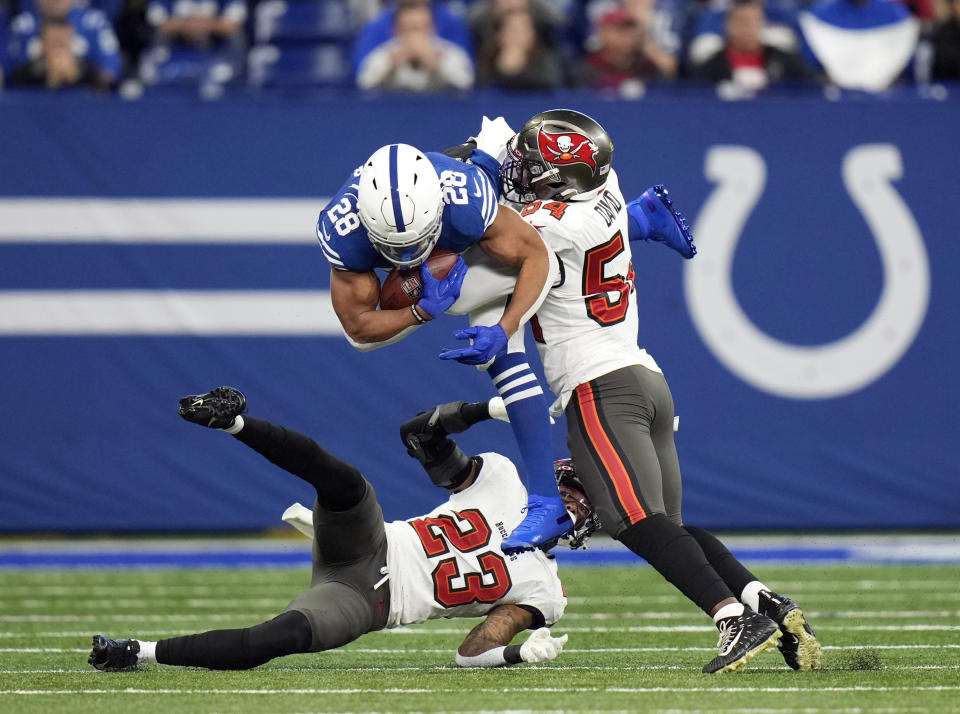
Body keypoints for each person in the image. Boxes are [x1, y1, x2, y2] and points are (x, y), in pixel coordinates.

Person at [453, 109, 822, 674]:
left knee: (632, 522)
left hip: (599, 387)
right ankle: (762, 600)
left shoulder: (551, 226)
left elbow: (480, 241)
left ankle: (732, 618)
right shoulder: (604, 188)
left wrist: (480, 164)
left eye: (531, 165)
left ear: (556, 177)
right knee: (665, 528)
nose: (519, 170)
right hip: (645, 378)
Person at [89, 386, 597, 672]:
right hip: (373, 539)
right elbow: (418, 434)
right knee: (344, 482)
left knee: (277, 638)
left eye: (584, 502)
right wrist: (485, 409)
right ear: (552, 479)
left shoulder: (545, 593)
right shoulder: (502, 479)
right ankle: (234, 423)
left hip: (370, 603)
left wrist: (515, 653)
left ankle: (136, 651)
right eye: (573, 490)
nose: (575, 505)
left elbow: (471, 654)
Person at [316, 140, 572, 553]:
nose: (408, 257)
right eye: (394, 249)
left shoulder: (464, 199)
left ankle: (635, 218)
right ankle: (545, 499)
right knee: (369, 339)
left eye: (415, 244)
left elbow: (537, 259)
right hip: (460, 230)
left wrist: (506, 328)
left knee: (558, 262)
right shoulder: (344, 228)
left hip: (491, 214)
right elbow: (359, 326)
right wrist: (419, 312)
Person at [690, 1, 810, 97]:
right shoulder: (711, 67)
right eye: (742, 22)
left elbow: (809, 91)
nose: (748, 29)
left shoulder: (786, 62)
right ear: (727, 26)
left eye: (754, 22)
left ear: (762, 23)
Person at [355, 0, 474, 92]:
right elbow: (364, 84)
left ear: (432, 28)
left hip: (440, 114)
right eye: (409, 29)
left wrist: (437, 64)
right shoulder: (387, 53)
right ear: (396, 30)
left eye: (420, 28)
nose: (415, 36)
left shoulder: (447, 51)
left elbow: (466, 84)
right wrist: (391, 65)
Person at [5, 0, 121, 89]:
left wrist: (81, 72)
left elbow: (110, 74)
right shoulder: (21, 27)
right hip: (28, 105)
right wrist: (39, 69)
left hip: (84, 103)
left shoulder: (94, 22)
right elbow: (5, 76)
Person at [474, 7, 565, 91]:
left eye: (523, 30)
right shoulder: (485, 59)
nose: (516, 35)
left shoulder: (548, 58)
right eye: (511, 30)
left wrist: (512, 72)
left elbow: (552, 86)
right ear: (499, 35)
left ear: (533, 36)